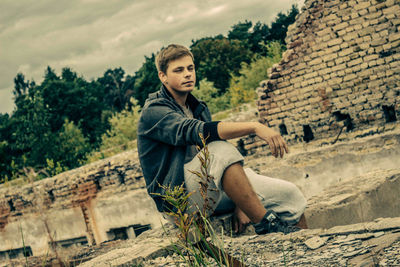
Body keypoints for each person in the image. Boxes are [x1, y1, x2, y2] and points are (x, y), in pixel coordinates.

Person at [137, 44, 307, 235]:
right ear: (163, 76)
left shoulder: (198, 108)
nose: (187, 74)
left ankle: (306, 249)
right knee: (219, 148)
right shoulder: (154, 111)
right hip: (180, 203)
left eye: (190, 68)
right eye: (179, 70)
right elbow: (197, 132)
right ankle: (265, 224)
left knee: (289, 195)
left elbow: (222, 165)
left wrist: (242, 203)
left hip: (209, 190)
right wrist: (254, 126)